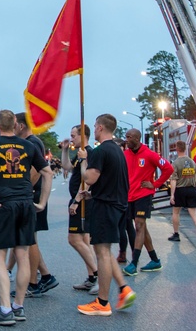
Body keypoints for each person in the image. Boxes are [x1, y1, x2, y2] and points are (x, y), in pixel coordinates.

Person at [0, 110, 52, 326]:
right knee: (23, 256)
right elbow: (48, 172)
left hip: (3, 205)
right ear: (15, 124)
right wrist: (42, 202)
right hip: (26, 203)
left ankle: (5, 309)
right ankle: (18, 306)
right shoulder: (28, 146)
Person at [75, 114, 135, 316]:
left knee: (101, 253)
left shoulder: (100, 151)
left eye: (95, 126)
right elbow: (114, 180)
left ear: (100, 127)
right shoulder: (118, 151)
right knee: (106, 251)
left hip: (105, 207)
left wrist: (84, 161)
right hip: (116, 204)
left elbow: (90, 177)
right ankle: (123, 289)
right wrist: (92, 194)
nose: (95, 129)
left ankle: (102, 302)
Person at [14, 113, 58, 296]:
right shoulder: (33, 142)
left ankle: (32, 282)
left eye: (15, 125)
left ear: (21, 126)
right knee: (28, 238)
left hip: (33, 195)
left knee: (29, 239)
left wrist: (24, 190)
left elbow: (35, 172)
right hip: (32, 195)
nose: (13, 128)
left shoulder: (32, 143)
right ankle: (46, 276)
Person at [121, 128, 172, 277]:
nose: (126, 139)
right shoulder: (125, 155)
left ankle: (134, 264)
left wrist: (155, 184)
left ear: (137, 139)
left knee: (139, 225)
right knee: (142, 228)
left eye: (129, 137)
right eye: (126, 137)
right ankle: (154, 260)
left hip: (144, 195)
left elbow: (168, 168)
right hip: (130, 196)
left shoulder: (150, 154)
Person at [60, 124, 98, 293]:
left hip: (82, 200)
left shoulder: (88, 153)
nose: (72, 138)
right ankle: (91, 277)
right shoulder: (80, 154)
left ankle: (97, 275)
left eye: (74, 135)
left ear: (83, 135)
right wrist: (65, 150)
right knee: (83, 240)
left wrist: (76, 201)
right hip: (78, 199)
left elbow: (87, 180)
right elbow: (67, 167)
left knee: (74, 239)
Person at [168, 146, 196, 245]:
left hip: (180, 190)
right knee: (194, 212)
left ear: (177, 150)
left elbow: (173, 180)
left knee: (176, 212)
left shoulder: (175, 163)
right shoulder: (192, 162)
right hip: (192, 189)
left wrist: (172, 194)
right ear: (185, 149)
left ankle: (176, 234)